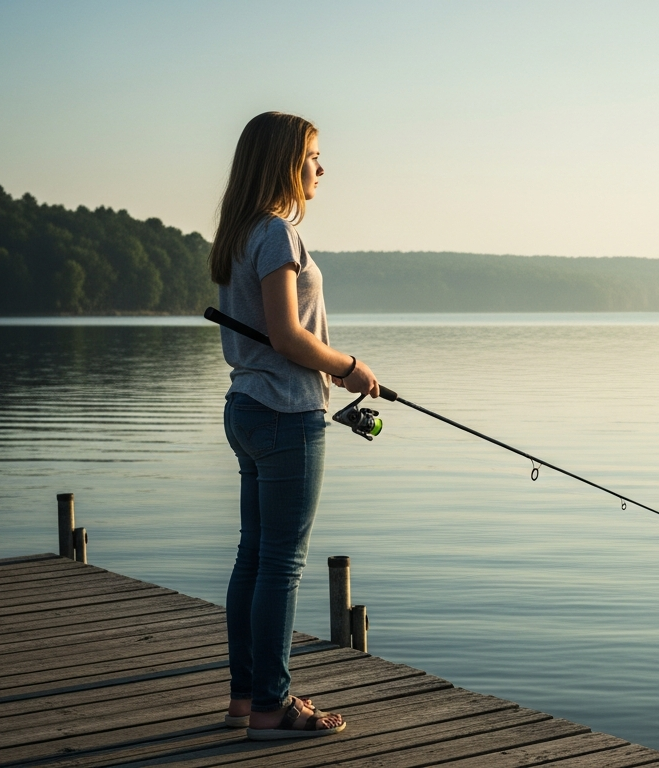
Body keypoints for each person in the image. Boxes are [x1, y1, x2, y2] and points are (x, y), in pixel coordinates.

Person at [210, 112, 376, 740]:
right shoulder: (276, 234)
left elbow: (274, 337)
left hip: (247, 407)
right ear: (284, 161)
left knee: (253, 558)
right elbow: (286, 333)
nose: (320, 167)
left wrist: (325, 367)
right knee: (280, 565)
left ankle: (244, 698)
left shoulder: (240, 233)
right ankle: (273, 708)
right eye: (312, 155)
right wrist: (350, 367)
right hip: (284, 412)